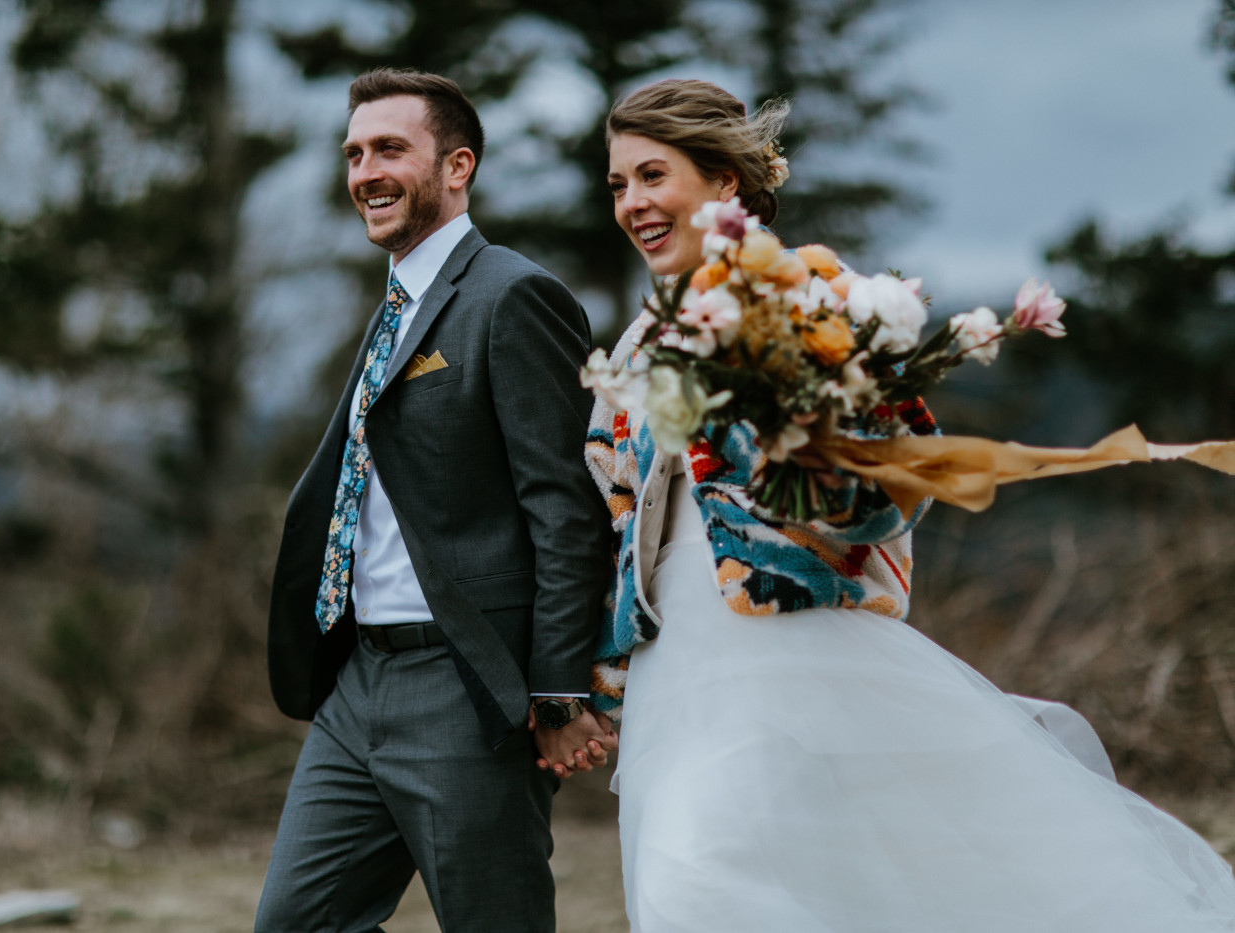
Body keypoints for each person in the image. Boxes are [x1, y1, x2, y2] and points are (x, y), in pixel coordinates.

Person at [587, 77, 1235, 932]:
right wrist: (597, 671)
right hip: (676, 670)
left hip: (788, 649)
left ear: (725, 182)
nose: (633, 203)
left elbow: (890, 493)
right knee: (734, 883)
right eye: (618, 185)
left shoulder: (808, 301)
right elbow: (618, 515)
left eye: (652, 176)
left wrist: (800, 457)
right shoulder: (635, 341)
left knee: (707, 881)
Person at [255, 68, 613, 933]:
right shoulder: (393, 307)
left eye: (389, 149)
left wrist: (559, 691)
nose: (364, 172)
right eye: (353, 153)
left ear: (457, 167)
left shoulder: (511, 295)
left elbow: (566, 508)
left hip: (465, 686)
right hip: (356, 682)